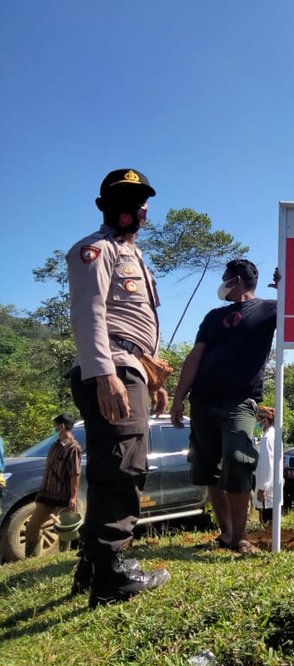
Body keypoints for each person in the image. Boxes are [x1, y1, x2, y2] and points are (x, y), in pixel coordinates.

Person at [67, 168, 171, 607]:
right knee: (123, 468)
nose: (133, 207)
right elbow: (89, 314)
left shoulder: (137, 256)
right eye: (123, 198)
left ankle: (92, 566)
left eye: (139, 199)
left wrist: (151, 377)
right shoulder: (95, 250)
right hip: (112, 368)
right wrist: (104, 374)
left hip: (132, 367)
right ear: (104, 205)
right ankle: (113, 575)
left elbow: (136, 326)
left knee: (116, 464)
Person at [170, 259, 277, 556]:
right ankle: (227, 533)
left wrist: (287, 287)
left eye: (225, 278)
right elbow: (195, 357)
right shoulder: (213, 317)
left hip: (240, 402)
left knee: (238, 458)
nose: (221, 284)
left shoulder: (269, 309)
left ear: (237, 281)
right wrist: (179, 397)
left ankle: (241, 537)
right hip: (203, 401)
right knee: (208, 468)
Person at [24, 414, 83, 557]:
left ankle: (63, 557)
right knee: (32, 527)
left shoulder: (73, 448)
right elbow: (48, 471)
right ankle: (31, 559)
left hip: (63, 497)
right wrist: (41, 493)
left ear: (62, 426)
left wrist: (73, 498)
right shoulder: (54, 446)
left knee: (64, 530)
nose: (54, 428)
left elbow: (75, 474)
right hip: (47, 495)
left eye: (55, 425)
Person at [252, 405, 277, 524]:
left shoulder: (268, 438)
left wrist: (262, 487)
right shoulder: (270, 435)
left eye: (258, 420)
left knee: (267, 520)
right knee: (267, 518)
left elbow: (268, 464)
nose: (257, 423)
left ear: (265, 420)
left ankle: (268, 543)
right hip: (269, 485)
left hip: (267, 487)